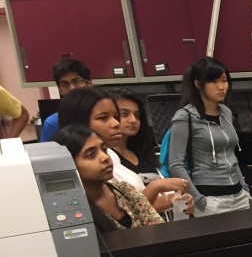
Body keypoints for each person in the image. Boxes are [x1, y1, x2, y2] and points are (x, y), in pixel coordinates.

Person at [58, 87, 192, 216]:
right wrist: (156, 188)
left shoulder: (137, 152)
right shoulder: (84, 172)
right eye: (103, 118)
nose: (116, 123)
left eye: (116, 116)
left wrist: (174, 199)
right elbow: (123, 214)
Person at [168, 56, 248, 216]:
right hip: (210, 198)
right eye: (214, 82)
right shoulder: (185, 116)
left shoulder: (226, 112)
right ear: (198, 84)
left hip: (239, 195)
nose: (221, 87)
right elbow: (175, 164)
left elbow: (231, 155)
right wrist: (199, 199)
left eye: (224, 80)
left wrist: (245, 187)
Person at [51, 124, 164, 231]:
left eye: (104, 149)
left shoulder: (125, 190)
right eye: (91, 155)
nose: (105, 157)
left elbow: (159, 230)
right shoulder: (72, 208)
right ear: (68, 164)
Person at [110, 89, 163, 184]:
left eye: (137, 115)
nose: (133, 120)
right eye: (124, 114)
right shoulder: (107, 156)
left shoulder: (142, 150)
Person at [40, 59, 92, 142]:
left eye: (76, 81)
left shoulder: (104, 114)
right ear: (60, 90)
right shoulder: (53, 123)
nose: (72, 88)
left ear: (89, 83)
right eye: (65, 84)